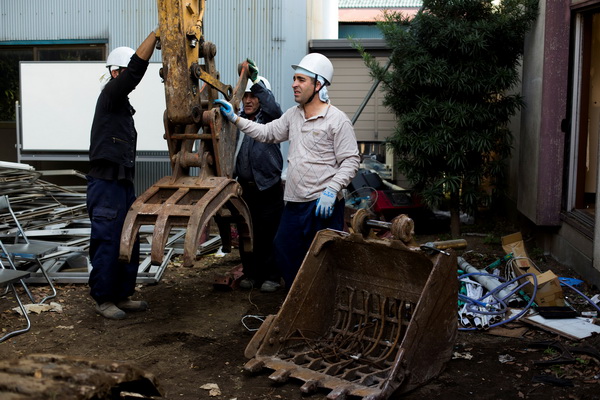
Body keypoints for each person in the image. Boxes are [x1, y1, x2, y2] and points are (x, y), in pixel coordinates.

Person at [215, 53, 360, 288]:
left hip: (322, 203)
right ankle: (299, 298)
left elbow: (351, 161)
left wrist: (332, 190)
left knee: (325, 257)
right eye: (294, 79)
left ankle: (324, 302)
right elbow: (267, 133)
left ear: (318, 84)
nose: (294, 84)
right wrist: (235, 119)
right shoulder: (293, 116)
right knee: (284, 250)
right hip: (294, 203)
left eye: (301, 80)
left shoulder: (337, 120)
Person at [87, 31, 158, 320]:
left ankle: (123, 294)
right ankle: (104, 298)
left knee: (130, 237)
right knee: (107, 239)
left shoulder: (122, 106)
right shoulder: (110, 95)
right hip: (106, 184)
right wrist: (154, 37)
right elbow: (134, 74)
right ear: (116, 72)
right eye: (124, 72)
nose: (128, 78)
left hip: (122, 183)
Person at [235, 59, 284, 292]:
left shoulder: (272, 120)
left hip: (268, 188)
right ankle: (251, 274)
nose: (248, 100)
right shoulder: (237, 121)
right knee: (247, 233)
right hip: (244, 189)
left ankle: (272, 277)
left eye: (253, 96)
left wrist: (255, 81)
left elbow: (274, 107)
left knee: (269, 234)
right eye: (245, 96)